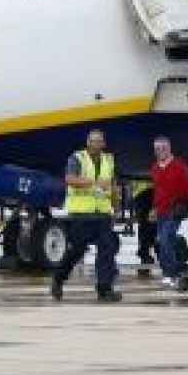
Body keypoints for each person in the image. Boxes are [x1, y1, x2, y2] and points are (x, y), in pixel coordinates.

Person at [51, 129, 122, 302]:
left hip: (102, 214)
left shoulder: (108, 160)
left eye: (99, 141)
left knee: (107, 249)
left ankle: (104, 289)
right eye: (93, 141)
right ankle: (58, 279)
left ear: (103, 144)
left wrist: (116, 204)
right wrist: (94, 183)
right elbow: (70, 179)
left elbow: (112, 185)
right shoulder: (77, 158)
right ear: (88, 143)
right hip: (82, 214)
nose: (96, 144)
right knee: (77, 250)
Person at [149, 137, 188, 288]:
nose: (160, 151)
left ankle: (170, 274)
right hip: (161, 211)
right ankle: (183, 268)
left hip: (175, 209)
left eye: (163, 148)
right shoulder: (154, 168)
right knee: (165, 242)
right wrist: (153, 208)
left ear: (169, 148)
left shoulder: (179, 165)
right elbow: (157, 191)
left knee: (165, 240)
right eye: (157, 149)